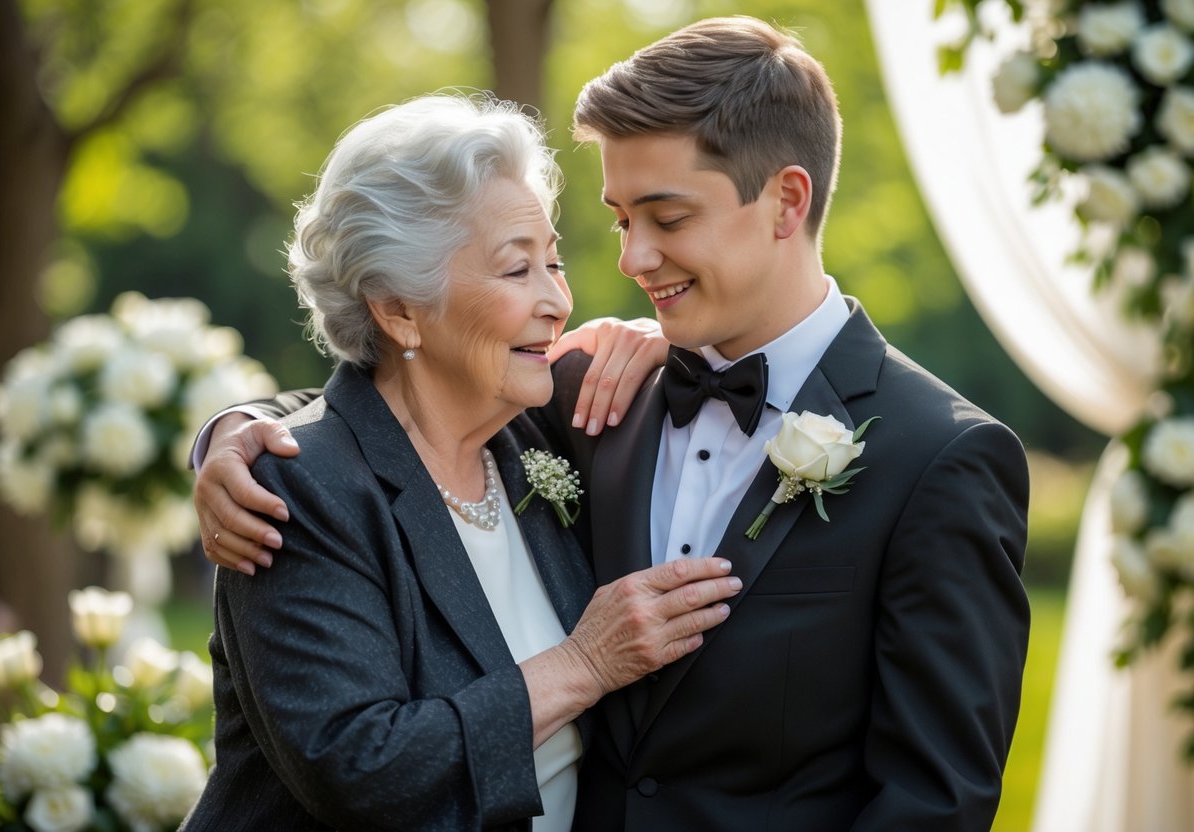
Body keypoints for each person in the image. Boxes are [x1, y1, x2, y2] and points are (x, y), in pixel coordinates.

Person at [195, 16, 1030, 830]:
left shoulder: (940, 458)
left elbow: (932, 804)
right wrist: (233, 434)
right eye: (621, 220)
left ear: (786, 201)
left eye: (666, 220)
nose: (628, 262)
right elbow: (383, 416)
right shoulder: (582, 409)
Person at [180, 93, 742, 832]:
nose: (557, 300)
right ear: (399, 309)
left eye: (554, 261)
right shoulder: (295, 488)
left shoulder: (535, 433)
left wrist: (645, 338)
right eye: (516, 272)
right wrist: (583, 664)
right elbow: (361, 772)